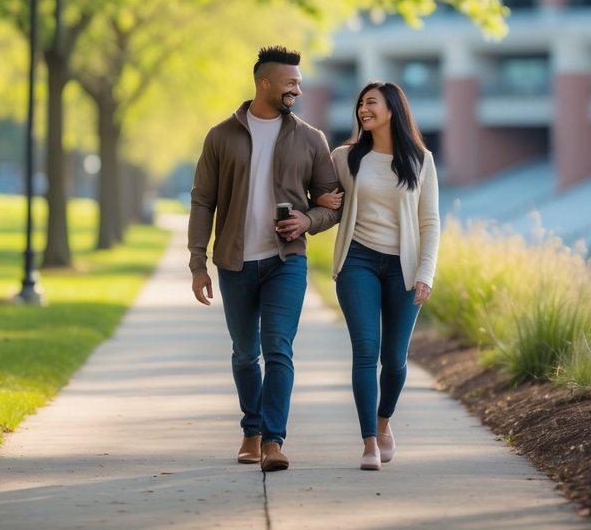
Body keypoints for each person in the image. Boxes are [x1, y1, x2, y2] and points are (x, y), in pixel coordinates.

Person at [188, 45, 340, 473]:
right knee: (243, 353)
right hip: (235, 262)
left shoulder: (312, 139)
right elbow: (202, 202)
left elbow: (334, 205)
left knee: (278, 349)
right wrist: (198, 262)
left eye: (300, 82)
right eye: (291, 82)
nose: (298, 88)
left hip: (286, 261)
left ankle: (273, 441)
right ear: (265, 83)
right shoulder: (221, 136)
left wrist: (307, 221)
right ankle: (251, 430)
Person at [316, 81, 439, 471]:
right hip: (358, 261)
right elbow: (324, 198)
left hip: (403, 266)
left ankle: (384, 422)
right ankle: (369, 441)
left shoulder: (420, 159)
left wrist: (426, 271)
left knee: (396, 360)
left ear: (392, 109)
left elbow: (430, 221)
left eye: (371, 103)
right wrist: (317, 202)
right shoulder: (346, 157)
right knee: (366, 351)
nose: (363, 109)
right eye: (360, 104)